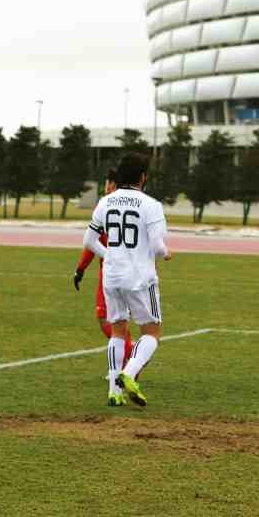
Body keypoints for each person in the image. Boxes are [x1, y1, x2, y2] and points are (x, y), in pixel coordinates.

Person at [83, 152, 171, 407]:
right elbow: (156, 246)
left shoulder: (105, 202)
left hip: (111, 276)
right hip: (140, 278)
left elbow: (88, 241)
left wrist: (109, 254)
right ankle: (129, 373)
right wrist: (166, 253)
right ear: (143, 177)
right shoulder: (151, 205)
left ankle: (114, 391)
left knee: (118, 331)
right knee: (152, 331)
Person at [74, 168, 134, 401]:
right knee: (114, 321)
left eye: (109, 183)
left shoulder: (108, 206)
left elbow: (92, 241)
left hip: (111, 272)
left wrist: (81, 268)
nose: (106, 187)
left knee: (109, 320)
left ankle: (128, 359)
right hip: (130, 272)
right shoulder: (133, 205)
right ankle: (128, 359)